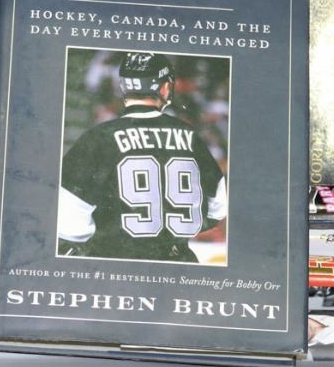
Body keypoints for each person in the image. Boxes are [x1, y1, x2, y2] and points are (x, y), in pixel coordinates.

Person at [58, 52, 227, 262]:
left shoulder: (99, 136)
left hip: (116, 263)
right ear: (165, 87)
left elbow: (69, 220)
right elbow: (218, 207)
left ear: (123, 87)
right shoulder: (191, 135)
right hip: (178, 262)